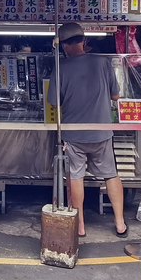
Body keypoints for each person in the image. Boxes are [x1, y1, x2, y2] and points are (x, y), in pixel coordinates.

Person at [48, 22, 128, 239]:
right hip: (102, 131)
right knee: (111, 175)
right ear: (84, 40)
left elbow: (54, 103)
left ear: (64, 45)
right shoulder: (103, 62)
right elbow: (115, 96)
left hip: (74, 134)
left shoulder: (60, 67)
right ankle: (120, 223)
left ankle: (80, 225)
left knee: (75, 177)